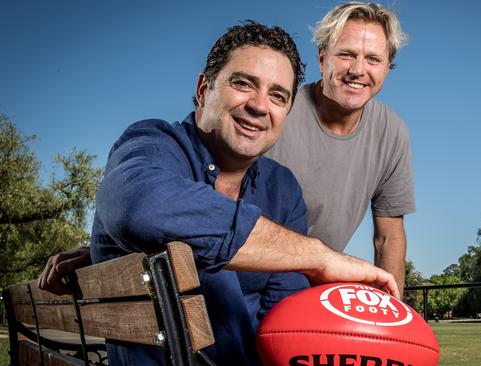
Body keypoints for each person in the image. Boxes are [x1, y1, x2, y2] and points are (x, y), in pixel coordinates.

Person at [41, 21, 397, 366]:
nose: (259, 105)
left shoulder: (282, 189)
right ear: (202, 90)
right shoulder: (154, 143)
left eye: (277, 96)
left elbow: (283, 316)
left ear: (286, 113)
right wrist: (318, 255)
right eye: (243, 84)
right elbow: (139, 205)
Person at [265, 2, 414, 294]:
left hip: (318, 286)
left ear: (387, 67)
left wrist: (391, 310)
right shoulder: (278, 110)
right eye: (346, 55)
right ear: (322, 59)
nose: (358, 70)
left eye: (373, 59)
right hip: (252, 274)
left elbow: (389, 238)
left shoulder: (392, 133)